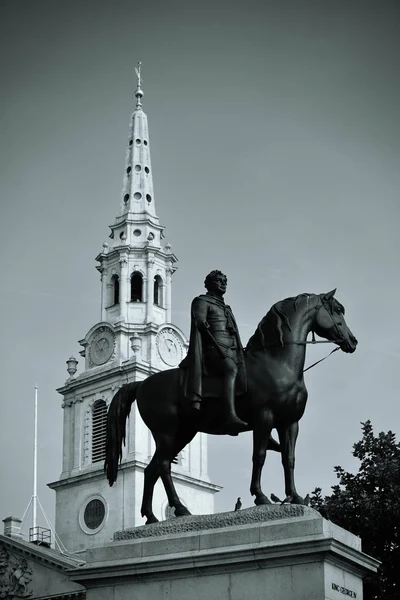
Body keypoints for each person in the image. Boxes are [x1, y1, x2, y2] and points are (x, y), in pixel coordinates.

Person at [180, 270, 248, 435]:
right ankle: (229, 416)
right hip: (213, 351)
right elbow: (199, 321)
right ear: (209, 284)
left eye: (225, 281)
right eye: (218, 280)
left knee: (252, 375)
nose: (223, 283)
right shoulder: (202, 301)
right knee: (231, 370)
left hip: (231, 351)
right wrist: (201, 322)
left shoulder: (225, 307)